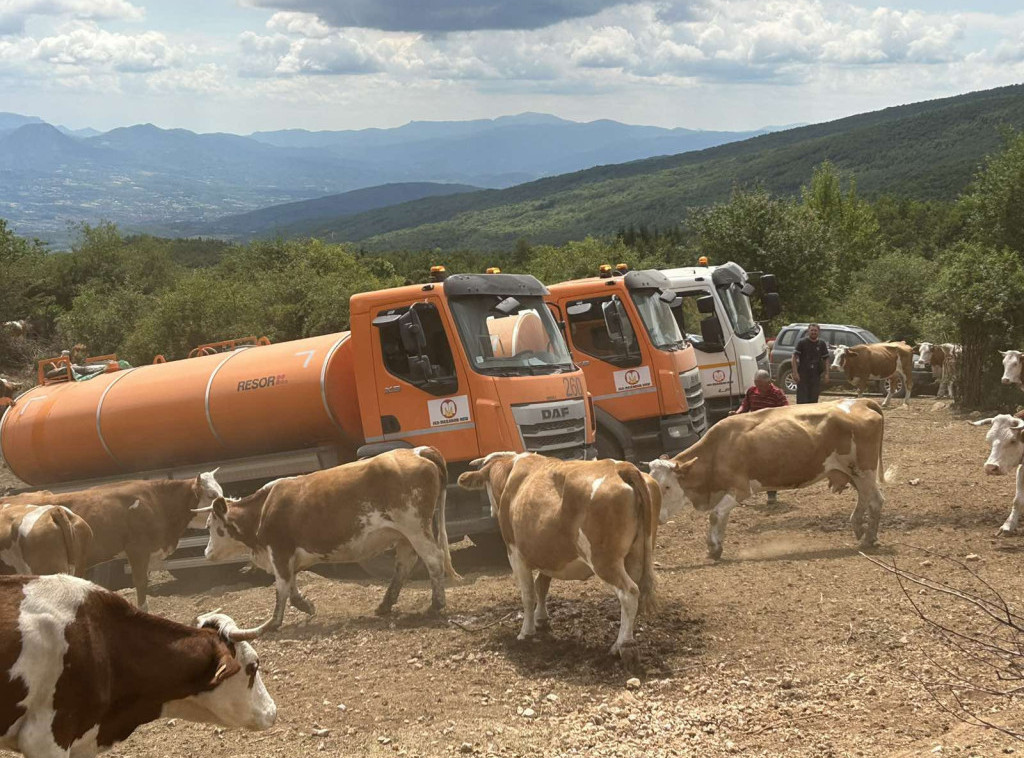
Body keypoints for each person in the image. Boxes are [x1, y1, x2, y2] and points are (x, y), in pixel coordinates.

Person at [730, 369, 788, 502]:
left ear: (769, 383)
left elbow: (786, 410)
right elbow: (745, 406)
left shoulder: (777, 394)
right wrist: (737, 413)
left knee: (769, 463)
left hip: (770, 433)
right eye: (757, 385)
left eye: (761, 385)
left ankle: (771, 493)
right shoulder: (751, 391)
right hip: (754, 432)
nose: (759, 388)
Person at [792, 323, 830, 404]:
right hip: (803, 376)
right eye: (812, 330)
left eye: (815, 330)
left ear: (818, 332)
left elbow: (826, 359)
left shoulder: (822, 344)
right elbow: (794, 357)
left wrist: (827, 374)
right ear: (808, 331)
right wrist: (795, 373)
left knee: (813, 400)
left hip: (815, 376)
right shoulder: (802, 342)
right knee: (802, 400)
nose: (813, 332)